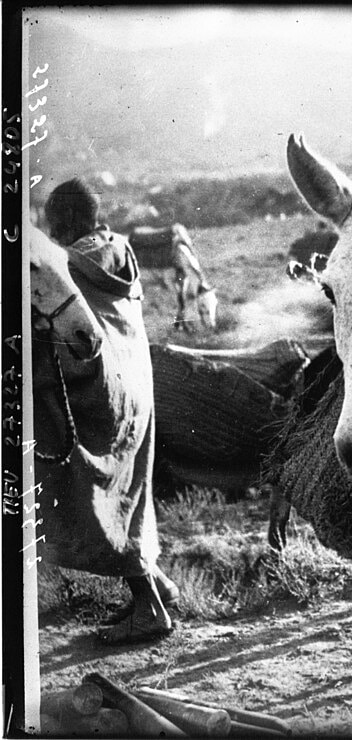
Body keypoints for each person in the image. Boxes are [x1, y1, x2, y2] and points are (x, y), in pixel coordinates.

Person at [36, 178, 178, 644]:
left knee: (100, 498)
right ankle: (157, 584)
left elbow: (66, 333)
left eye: (54, 226)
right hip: (135, 390)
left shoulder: (72, 266)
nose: (51, 235)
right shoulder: (119, 249)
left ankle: (150, 609)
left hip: (106, 399)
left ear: (69, 222)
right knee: (129, 492)